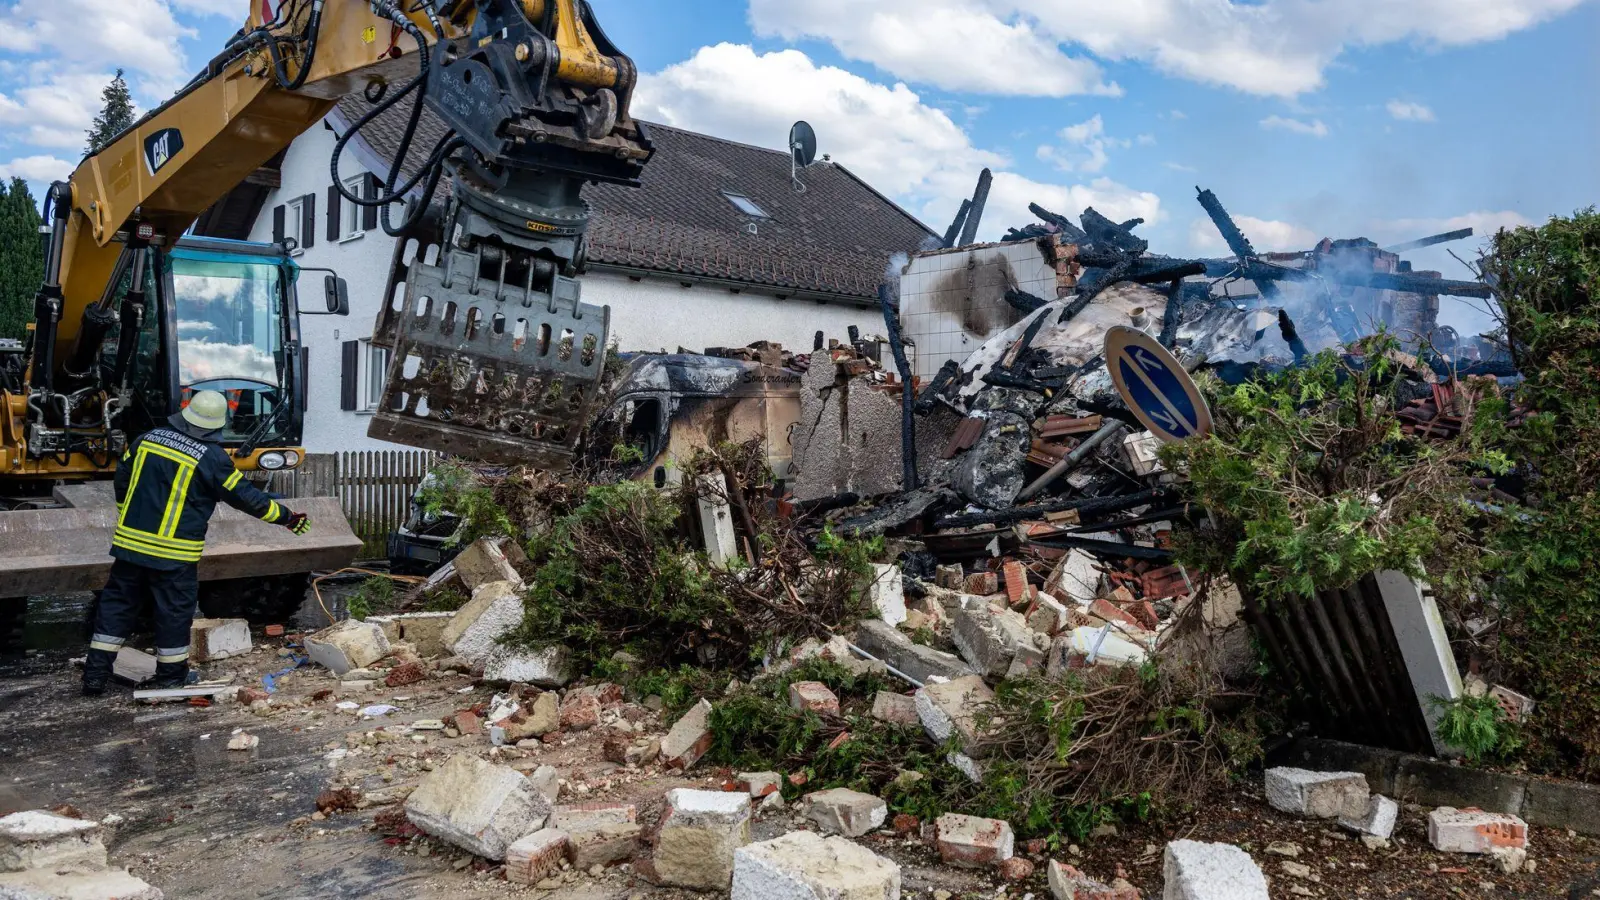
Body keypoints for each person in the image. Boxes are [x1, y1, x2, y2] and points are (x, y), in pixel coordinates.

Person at [81, 390, 311, 695]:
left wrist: (126, 512)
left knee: (116, 607)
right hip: (173, 556)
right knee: (173, 614)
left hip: (130, 547)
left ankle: (94, 676)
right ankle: (171, 678)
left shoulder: (146, 440)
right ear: (215, 426)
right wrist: (288, 518)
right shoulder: (212, 458)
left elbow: (123, 477)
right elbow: (247, 499)